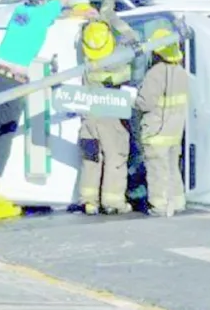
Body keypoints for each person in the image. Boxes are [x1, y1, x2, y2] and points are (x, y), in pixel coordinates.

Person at [0, 0, 96, 224]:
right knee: (6, 132)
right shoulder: (45, 11)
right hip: (14, 79)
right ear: (43, 0)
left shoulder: (20, 12)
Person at [76, 20, 134, 215]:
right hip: (111, 117)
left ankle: (89, 201)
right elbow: (128, 74)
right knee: (115, 157)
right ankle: (112, 201)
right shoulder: (117, 62)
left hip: (88, 117)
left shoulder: (84, 60)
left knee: (91, 159)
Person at [135, 28, 189, 217]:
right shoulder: (182, 72)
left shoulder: (155, 73)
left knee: (158, 170)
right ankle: (178, 201)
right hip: (174, 132)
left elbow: (145, 103)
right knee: (173, 168)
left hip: (156, 131)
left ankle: (159, 206)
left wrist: (132, 98)